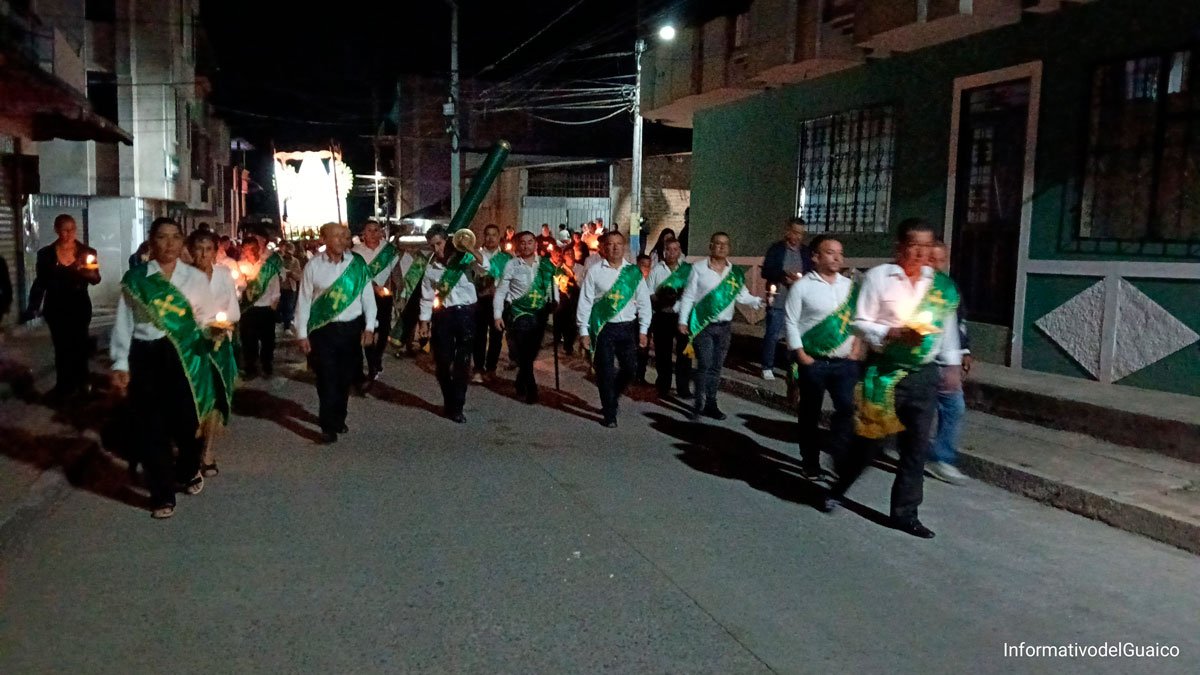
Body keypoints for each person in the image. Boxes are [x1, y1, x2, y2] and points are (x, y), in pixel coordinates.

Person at [822, 218, 962, 540]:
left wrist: (952, 365)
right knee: (869, 443)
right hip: (883, 373)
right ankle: (839, 486)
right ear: (899, 247)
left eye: (927, 246)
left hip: (923, 374)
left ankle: (905, 514)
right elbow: (858, 323)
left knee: (915, 447)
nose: (921, 253)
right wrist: (892, 333)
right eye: (914, 245)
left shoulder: (940, 286)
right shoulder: (879, 277)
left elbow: (948, 329)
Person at [110, 217, 220, 519]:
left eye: (175, 237)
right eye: (162, 237)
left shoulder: (194, 278)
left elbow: (208, 317)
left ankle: (187, 469)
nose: (169, 243)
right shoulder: (137, 279)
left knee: (188, 424)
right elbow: (124, 322)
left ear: (182, 241)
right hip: (145, 355)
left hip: (185, 356)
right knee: (151, 427)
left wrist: (215, 332)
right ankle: (161, 495)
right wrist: (120, 362)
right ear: (151, 241)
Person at [784, 234, 860, 479]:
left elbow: (858, 319)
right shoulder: (802, 286)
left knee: (847, 410)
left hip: (845, 363)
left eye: (840, 253)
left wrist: (856, 348)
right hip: (814, 361)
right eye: (830, 252)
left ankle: (839, 456)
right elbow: (791, 321)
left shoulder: (849, 287)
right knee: (810, 413)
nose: (837, 257)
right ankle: (810, 461)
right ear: (815, 257)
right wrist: (801, 355)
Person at [295, 223, 377, 444]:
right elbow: (304, 300)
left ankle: (339, 417)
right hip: (323, 331)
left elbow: (368, 298)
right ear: (324, 239)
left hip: (351, 329)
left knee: (345, 377)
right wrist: (301, 333)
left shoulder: (357, 264)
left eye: (345, 236)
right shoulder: (313, 266)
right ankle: (327, 425)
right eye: (337, 236)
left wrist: (370, 327)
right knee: (326, 377)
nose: (343, 240)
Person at [679, 232, 764, 420]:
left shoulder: (734, 273)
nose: (722, 247)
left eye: (725, 244)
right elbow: (689, 296)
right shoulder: (699, 268)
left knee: (716, 367)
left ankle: (711, 403)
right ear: (711, 246)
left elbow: (742, 295)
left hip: (725, 327)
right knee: (705, 364)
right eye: (718, 243)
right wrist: (683, 320)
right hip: (704, 326)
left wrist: (757, 301)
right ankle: (699, 402)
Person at [576, 232, 651, 428]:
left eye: (619, 244)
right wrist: (583, 331)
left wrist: (643, 329)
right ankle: (609, 412)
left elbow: (644, 302)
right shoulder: (594, 271)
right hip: (604, 328)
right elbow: (585, 302)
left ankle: (612, 395)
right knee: (605, 371)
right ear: (603, 248)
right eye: (610, 244)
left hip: (628, 328)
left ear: (624, 247)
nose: (615, 248)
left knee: (630, 369)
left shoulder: (633, 273)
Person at [26, 214, 101, 400]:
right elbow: (41, 282)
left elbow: (95, 279)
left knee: (80, 344)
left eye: (72, 229)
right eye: (64, 230)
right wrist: (33, 306)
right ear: (56, 230)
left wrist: (85, 271)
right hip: (56, 306)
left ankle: (83, 383)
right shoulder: (46, 254)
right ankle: (64, 385)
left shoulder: (87, 252)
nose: (69, 234)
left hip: (79, 306)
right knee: (61, 346)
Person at [186, 229, 239, 478]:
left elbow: (233, 309)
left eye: (208, 249)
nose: (203, 254)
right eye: (199, 249)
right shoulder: (181, 277)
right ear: (190, 251)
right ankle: (188, 446)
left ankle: (207, 451)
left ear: (216, 252)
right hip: (192, 345)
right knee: (193, 398)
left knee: (217, 397)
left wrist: (222, 324)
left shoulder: (224, 274)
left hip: (219, 345)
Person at [418, 226, 477, 423]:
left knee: (462, 362)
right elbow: (426, 298)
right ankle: (449, 400)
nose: (437, 249)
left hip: (466, 314)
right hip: (443, 316)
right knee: (443, 362)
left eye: (439, 243)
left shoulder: (464, 260)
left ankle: (457, 406)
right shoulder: (431, 268)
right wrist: (424, 323)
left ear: (447, 241)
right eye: (432, 246)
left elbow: (485, 267)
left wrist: (470, 248)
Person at [494, 231, 559, 404]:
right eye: (522, 242)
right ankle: (532, 389)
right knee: (524, 351)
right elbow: (501, 291)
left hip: (540, 313)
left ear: (535, 244)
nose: (526, 245)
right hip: (519, 313)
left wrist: (555, 301)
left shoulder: (545, 264)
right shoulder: (512, 265)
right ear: (518, 245)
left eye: (530, 242)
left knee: (532, 352)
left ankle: (520, 380)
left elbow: (552, 285)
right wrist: (497, 315)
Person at [927, 240, 972, 485]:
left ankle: (941, 458)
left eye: (941, 259)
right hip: (920, 361)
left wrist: (964, 351)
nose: (936, 264)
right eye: (931, 259)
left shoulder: (949, 287)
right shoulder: (912, 287)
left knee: (954, 407)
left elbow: (959, 321)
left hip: (946, 361)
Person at [759, 217, 813, 380]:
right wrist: (783, 276)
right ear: (787, 231)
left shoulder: (805, 252)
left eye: (801, 234)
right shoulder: (776, 249)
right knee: (772, 334)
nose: (797, 236)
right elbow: (765, 271)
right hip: (779, 299)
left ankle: (792, 367)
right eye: (794, 232)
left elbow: (812, 273)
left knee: (796, 336)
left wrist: (800, 279)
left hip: (799, 303)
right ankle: (767, 366)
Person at [352, 219, 401, 390]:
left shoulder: (388, 250)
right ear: (363, 234)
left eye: (376, 230)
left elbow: (396, 272)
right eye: (369, 230)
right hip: (364, 297)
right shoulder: (356, 252)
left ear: (381, 232)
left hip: (384, 296)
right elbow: (357, 275)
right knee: (369, 328)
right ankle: (372, 362)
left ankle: (377, 356)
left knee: (384, 329)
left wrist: (399, 291)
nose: (373, 234)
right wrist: (373, 287)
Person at [646, 238, 692, 399]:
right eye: (668, 249)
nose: (671, 253)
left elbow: (693, 292)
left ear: (680, 251)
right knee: (663, 353)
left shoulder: (687, 271)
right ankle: (663, 387)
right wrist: (661, 299)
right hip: (663, 316)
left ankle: (683, 388)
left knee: (685, 353)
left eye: (675, 249)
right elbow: (649, 292)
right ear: (664, 251)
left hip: (682, 317)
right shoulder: (656, 270)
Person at [237, 238, 282, 379]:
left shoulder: (266, 267)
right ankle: (251, 368)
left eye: (252, 248)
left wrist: (273, 305)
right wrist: (244, 284)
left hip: (266, 308)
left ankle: (267, 366)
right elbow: (236, 288)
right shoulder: (239, 266)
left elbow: (275, 287)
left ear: (258, 248)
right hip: (248, 309)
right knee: (248, 340)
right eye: (246, 249)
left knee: (268, 340)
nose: (250, 252)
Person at [473, 224, 510, 383]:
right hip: (481, 300)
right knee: (479, 335)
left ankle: (491, 368)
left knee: (496, 336)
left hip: (499, 301)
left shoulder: (506, 258)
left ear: (499, 236)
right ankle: (478, 368)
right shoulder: (476, 255)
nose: (490, 238)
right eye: (487, 234)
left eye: (494, 235)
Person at [634, 254, 654, 384]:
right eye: (643, 265)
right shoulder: (631, 281)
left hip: (646, 318)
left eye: (648, 266)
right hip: (633, 318)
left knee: (644, 348)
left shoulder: (650, 282)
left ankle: (640, 375)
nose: (645, 269)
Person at [277, 241, 304, 332]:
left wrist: (291, 274)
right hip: (279, 287)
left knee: (289, 307)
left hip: (290, 287)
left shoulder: (295, 261)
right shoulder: (279, 260)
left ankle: (287, 326)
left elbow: (298, 275)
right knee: (279, 306)